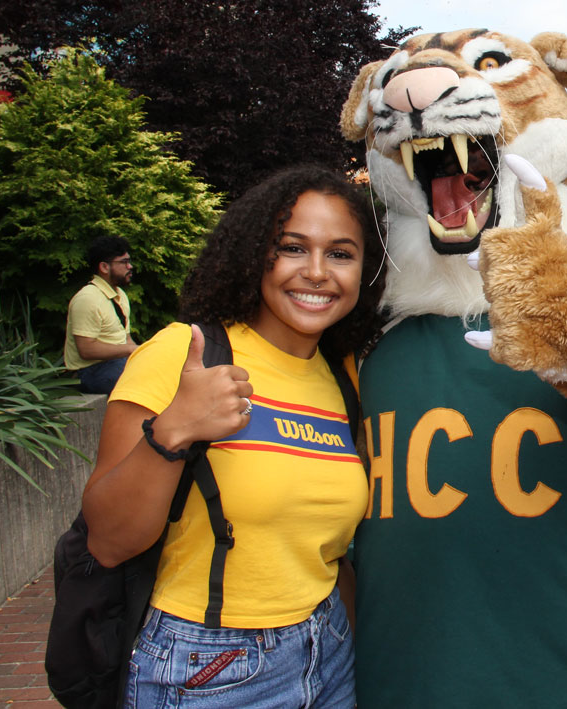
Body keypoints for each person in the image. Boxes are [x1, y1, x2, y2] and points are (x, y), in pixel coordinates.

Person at [80, 165, 385, 707]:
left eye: (341, 253)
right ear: (254, 255)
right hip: (209, 665)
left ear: (366, 269)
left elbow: (328, 554)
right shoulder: (182, 353)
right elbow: (107, 541)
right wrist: (172, 430)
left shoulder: (345, 375)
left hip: (330, 651)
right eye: (292, 247)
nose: (317, 272)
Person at [64, 235, 139, 394]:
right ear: (104, 267)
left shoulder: (120, 295)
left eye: (129, 261)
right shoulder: (87, 299)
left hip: (117, 364)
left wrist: (140, 353)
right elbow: (86, 350)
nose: (130, 266)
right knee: (141, 380)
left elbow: (126, 339)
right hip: (89, 372)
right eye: (124, 262)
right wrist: (130, 350)